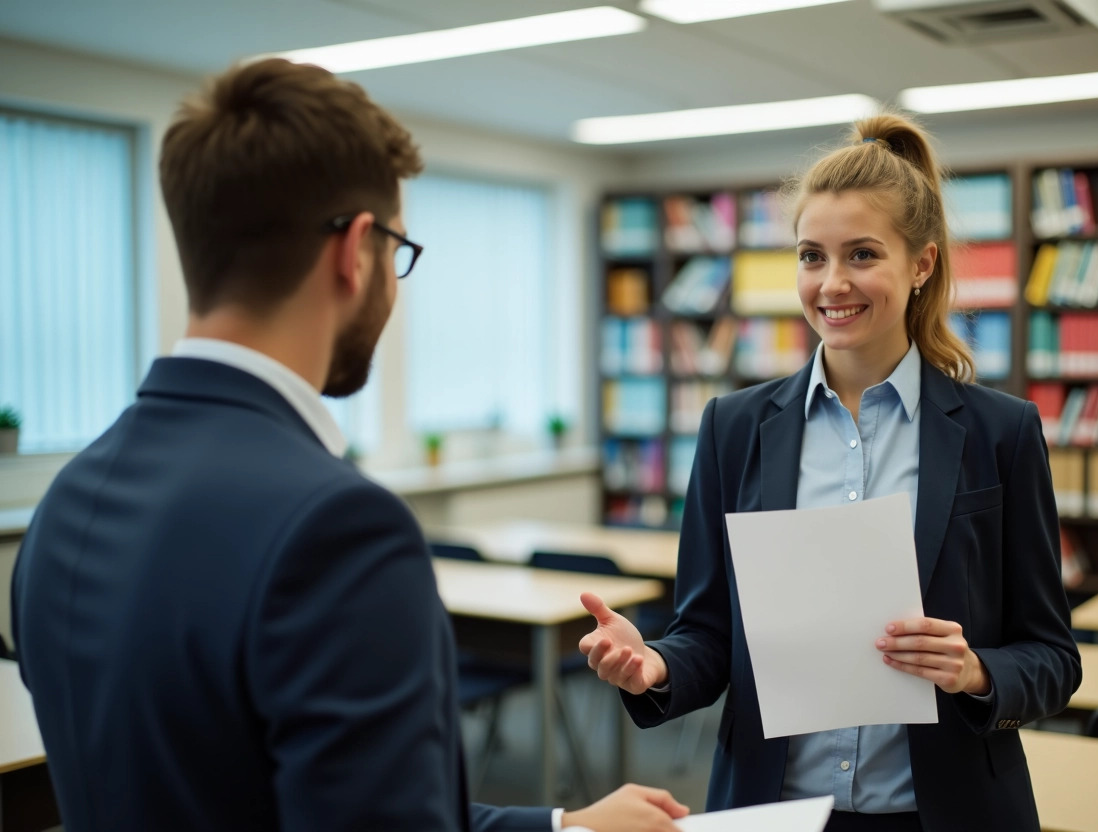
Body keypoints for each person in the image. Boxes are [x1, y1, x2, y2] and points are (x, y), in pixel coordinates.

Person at [10, 58, 688, 832]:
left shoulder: (65, 501)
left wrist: (564, 828)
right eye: (398, 250)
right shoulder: (337, 529)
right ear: (356, 249)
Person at [578, 114, 1081, 832]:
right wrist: (655, 664)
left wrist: (976, 671)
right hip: (775, 812)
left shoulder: (1000, 433)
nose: (832, 282)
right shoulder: (735, 428)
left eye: (863, 255)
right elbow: (710, 633)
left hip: (943, 812)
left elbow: (1053, 657)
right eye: (812, 256)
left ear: (923, 264)